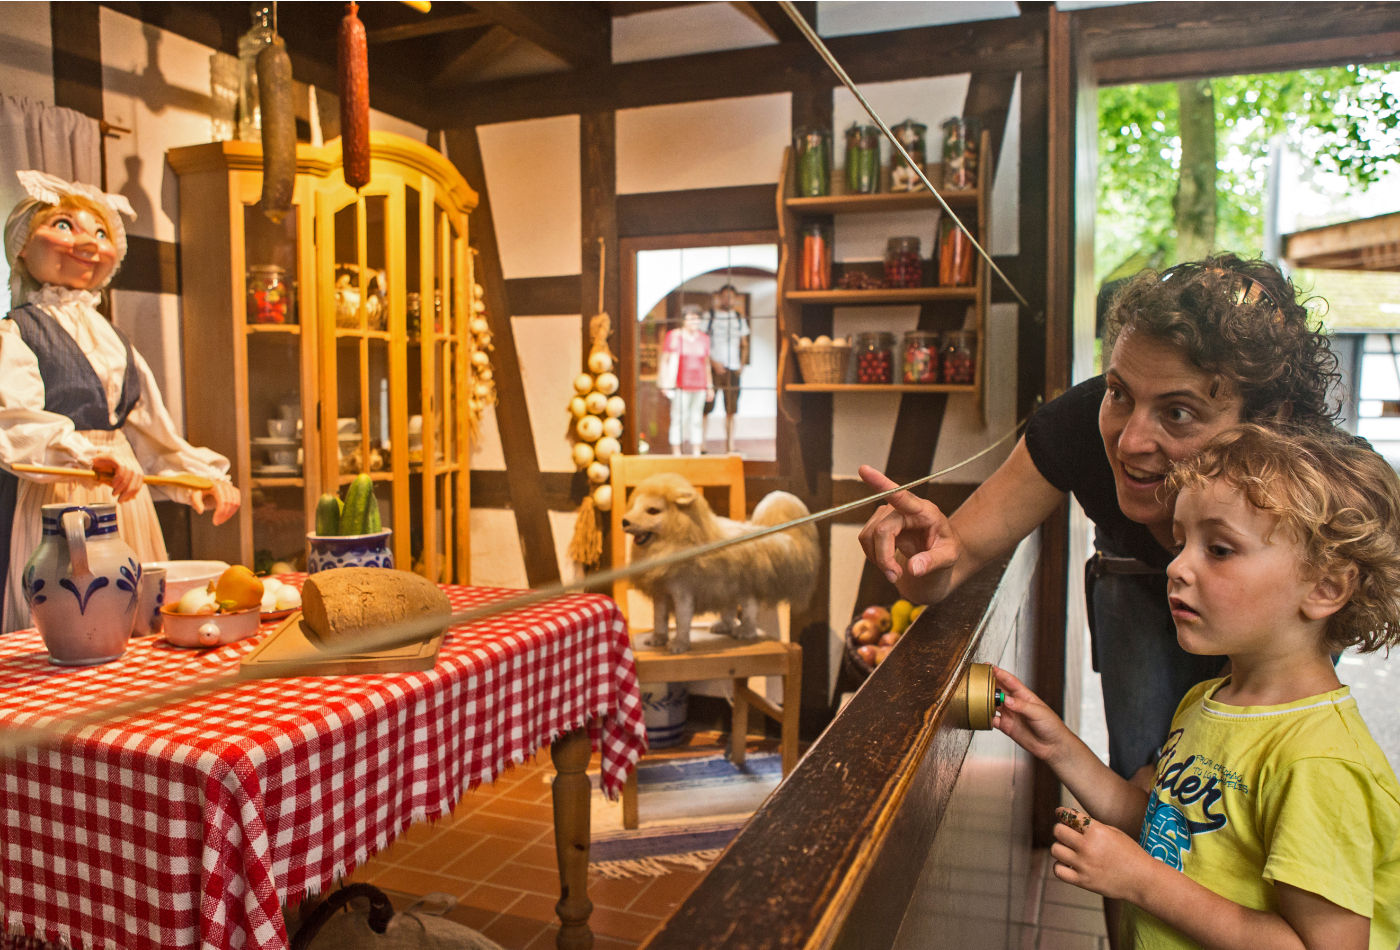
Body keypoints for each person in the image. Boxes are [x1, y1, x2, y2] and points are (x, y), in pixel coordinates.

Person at [858, 254, 1341, 781]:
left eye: (1177, 412)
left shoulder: (1317, 476)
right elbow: (956, 556)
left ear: (1269, 423)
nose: (1130, 442)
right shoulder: (1075, 425)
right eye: (1119, 394)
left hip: (1267, 613)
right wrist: (922, 563)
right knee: (1143, 774)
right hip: (1131, 582)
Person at [991, 423, 1400, 950]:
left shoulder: (1319, 763)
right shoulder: (1210, 701)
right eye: (1182, 543)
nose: (1177, 567)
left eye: (1220, 549)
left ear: (1325, 587)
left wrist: (1140, 881)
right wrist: (1058, 746)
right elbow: (1177, 834)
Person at [0, 170, 240, 633]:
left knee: (135, 622)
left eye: (101, 231)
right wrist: (85, 454)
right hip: (58, 499)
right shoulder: (15, 334)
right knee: (68, 623)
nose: (88, 242)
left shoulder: (114, 339)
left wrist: (200, 479)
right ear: (22, 246)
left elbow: (150, 432)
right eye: (64, 225)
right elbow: (14, 420)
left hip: (125, 498)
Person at [659, 305, 714, 456]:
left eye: (697, 318)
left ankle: (696, 451)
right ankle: (677, 452)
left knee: (696, 419)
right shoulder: (674, 336)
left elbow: (706, 363)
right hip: (680, 385)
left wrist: (709, 386)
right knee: (678, 418)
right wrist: (665, 383)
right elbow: (665, 360)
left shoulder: (704, 339)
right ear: (684, 320)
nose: (693, 322)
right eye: (690, 318)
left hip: (699, 385)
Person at [702, 283, 749, 453]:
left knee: (731, 408)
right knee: (706, 408)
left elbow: (744, 343)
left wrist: (741, 365)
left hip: (733, 367)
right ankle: (701, 445)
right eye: (724, 296)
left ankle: (730, 445)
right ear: (719, 297)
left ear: (735, 299)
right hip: (713, 369)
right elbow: (703, 342)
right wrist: (712, 362)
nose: (727, 299)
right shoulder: (711, 316)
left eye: (730, 296)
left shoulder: (738, 318)